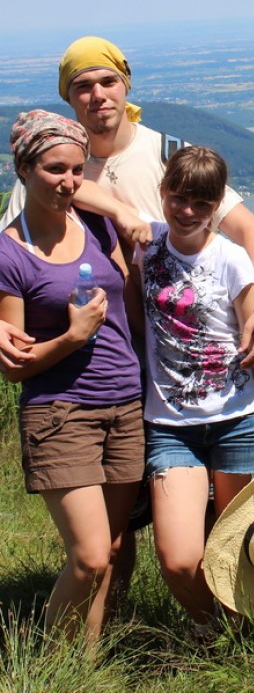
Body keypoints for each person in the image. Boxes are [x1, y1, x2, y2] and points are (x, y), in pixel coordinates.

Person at [0, 35, 254, 373]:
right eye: (83, 86)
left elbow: (249, 231)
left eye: (108, 81)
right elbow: (8, 259)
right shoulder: (50, 172)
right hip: (103, 361)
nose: (98, 95)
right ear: (69, 97)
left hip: (184, 347)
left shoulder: (170, 155)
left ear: (125, 86)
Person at [0, 110, 144, 642]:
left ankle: (85, 662)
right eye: (54, 169)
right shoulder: (9, 254)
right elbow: (15, 367)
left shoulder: (95, 222)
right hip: (62, 413)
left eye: (77, 171)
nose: (67, 182)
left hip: (125, 405)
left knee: (108, 550)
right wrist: (71, 337)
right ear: (24, 169)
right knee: (86, 557)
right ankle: (49, 661)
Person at [132, 145, 254, 634]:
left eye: (201, 203)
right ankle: (216, 628)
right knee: (179, 558)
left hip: (236, 422)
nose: (187, 211)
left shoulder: (234, 261)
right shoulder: (146, 245)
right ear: (162, 193)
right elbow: (89, 191)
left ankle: (242, 639)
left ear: (217, 204)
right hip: (169, 426)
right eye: (178, 198)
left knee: (235, 543)